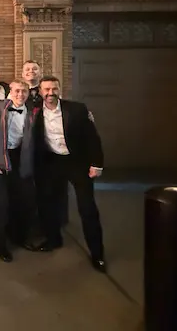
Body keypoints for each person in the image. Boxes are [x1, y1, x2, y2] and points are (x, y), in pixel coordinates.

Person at [32, 76, 106, 272]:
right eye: (46, 90)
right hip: (52, 162)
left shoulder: (77, 109)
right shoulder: (35, 113)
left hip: (77, 162)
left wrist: (96, 164)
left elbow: (93, 138)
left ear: (59, 90)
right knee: (49, 204)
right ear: (40, 92)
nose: (50, 93)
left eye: (54, 89)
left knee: (87, 208)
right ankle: (53, 239)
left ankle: (97, 254)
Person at [0, 79, 39, 263]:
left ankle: (20, 237)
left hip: (23, 159)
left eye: (24, 91)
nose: (20, 95)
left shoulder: (33, 112)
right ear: (10, 92)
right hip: (0, 159)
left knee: (23, 201)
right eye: (16, 91)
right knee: (1, 204)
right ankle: (0, 245)